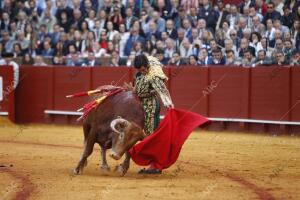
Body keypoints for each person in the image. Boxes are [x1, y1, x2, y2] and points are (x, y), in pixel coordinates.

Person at [132, 54, 174, 174]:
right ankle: (153, 162)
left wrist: (169, 104)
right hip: (141, 105)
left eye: (143, 70)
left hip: (151, 105)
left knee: (150, 135)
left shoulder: (154, 75)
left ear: (147, 66)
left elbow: (162, 91)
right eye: (140, 70)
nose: (142, 72)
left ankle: (155, 165)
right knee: (145, 134)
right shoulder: (142, 69)